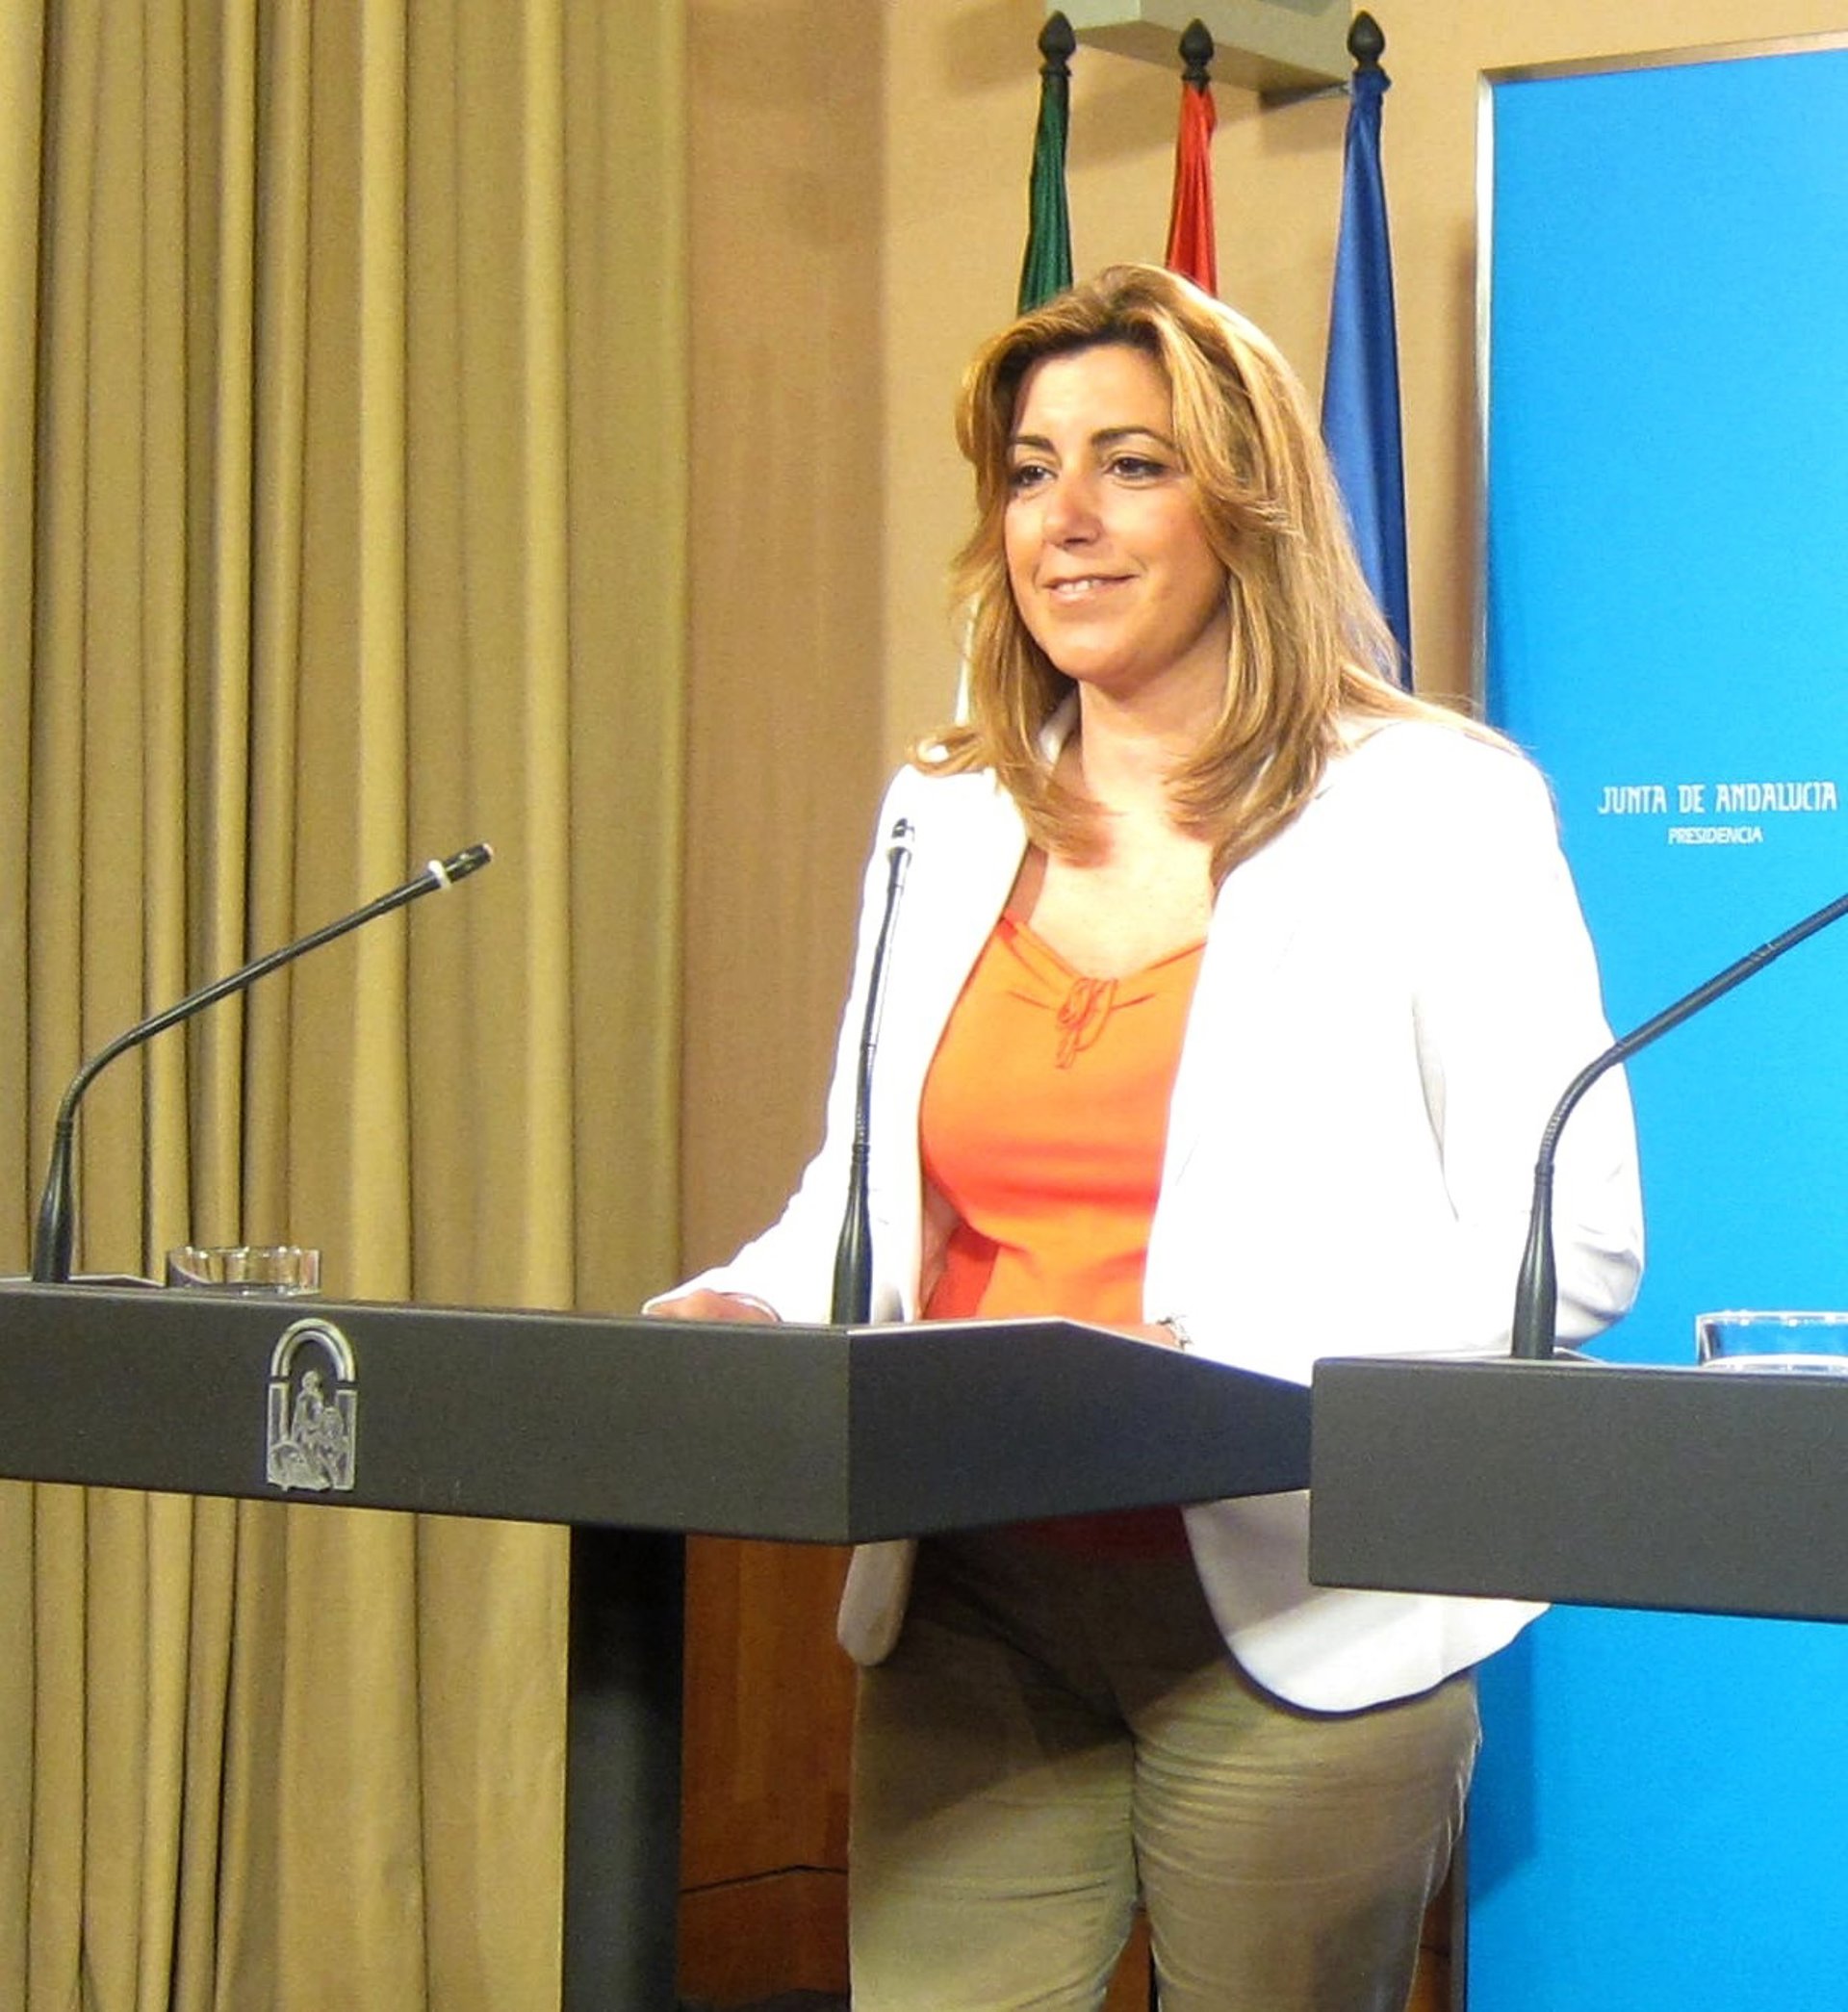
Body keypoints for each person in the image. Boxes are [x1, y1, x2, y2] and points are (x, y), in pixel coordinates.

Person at [650, 264, 1642, 2012]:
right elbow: (871, 1192)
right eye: (1032, 472)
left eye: (1132, 465)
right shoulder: (944, 811)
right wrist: (750, 1302)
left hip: (1308, 1608)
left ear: (1245, 504)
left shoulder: (1432, 807)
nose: (1068, 520)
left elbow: (1570, 1246)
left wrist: (1224, 1378)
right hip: (973, 1592)